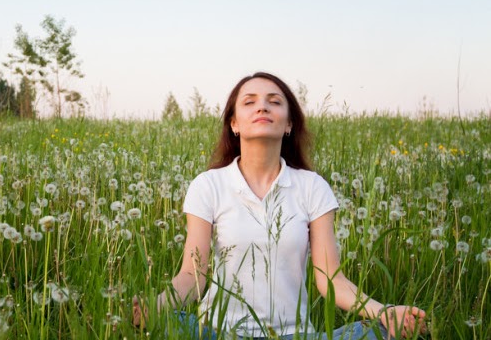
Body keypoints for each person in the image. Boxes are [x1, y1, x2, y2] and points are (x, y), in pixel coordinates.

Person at [133, 72, 427, 339]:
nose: (262, 107)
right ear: (234, 123)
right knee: (160, 324)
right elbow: (192, 275)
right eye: (249, 102)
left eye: (274, 101)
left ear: (288, 124)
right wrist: (154, 307)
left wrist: (384, 311)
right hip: (217, 332)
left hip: (294, 336)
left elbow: (331, 281)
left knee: (379, 331)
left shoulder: (311, 187)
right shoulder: (209, 185)